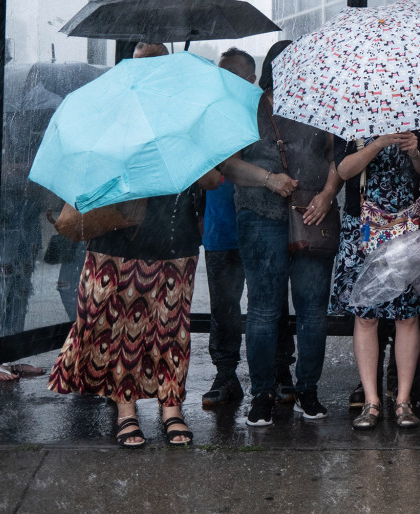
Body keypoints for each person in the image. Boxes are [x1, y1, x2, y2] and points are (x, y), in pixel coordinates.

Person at [219, 41, 340, 428]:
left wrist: (326, 194)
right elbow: (228, 165)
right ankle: (262, 394)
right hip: (259, 214)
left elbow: (337, 159)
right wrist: (269, 180)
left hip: (312, 213)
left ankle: (307, 389)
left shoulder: (323, 106)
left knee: (312, 311)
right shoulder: (248, 108)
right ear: (275, 69)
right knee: (264, 309)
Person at [47, 176, 219, 448]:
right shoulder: (115, 134)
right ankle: (126, 410)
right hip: (118, 236)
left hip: (177, 235)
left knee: (172, 328)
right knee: (120, 329)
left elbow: (212, 181)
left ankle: (171, 406)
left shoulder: (187, 134)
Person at [202, 47, 296, 407]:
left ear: (252, 79)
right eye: (221, 72)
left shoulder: (263, 112)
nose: (225, 79)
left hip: (261, 220)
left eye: (233, 73)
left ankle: (280, 370)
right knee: (223, 306)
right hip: (220, 225)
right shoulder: (213, 113)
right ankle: (225, 375)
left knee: (271, 301)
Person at [332, 128, 420, 430]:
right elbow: (344, 170)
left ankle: (403, 400)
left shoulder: (414, 121)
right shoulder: (351, 122)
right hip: (363, 228)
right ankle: (371, 400)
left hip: (407, 226)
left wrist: (415, 152)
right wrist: (377, 143)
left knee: (408, 316)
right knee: (365, 316)